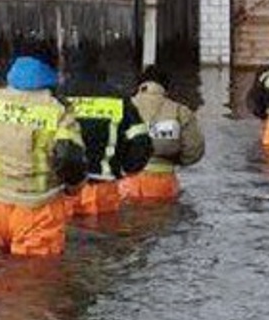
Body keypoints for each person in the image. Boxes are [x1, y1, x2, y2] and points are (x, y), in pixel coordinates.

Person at [0, 45, 88, 256]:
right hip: (39, 209)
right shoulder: (57, 109)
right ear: (51, 71)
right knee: (34, 283)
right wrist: (73, 187)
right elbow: (69, 156)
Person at [59, 47, 152, 216]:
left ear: (69, 68)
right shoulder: (118, 98)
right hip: (103, 189)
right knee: (105, 238)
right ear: (99, 66)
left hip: (61, 191)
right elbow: (141, 143)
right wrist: (125, 170)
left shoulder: (56, 97)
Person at [117, 65, 205, 204]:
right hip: (164, 184)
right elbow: (194, 151)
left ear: (139, 85)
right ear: (166, 87)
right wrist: (176, 160)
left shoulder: (122, 106)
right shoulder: (180, 111)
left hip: (126, 183)